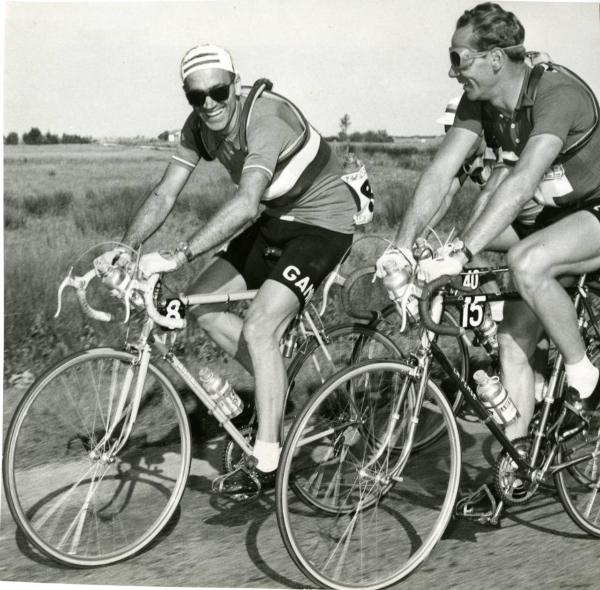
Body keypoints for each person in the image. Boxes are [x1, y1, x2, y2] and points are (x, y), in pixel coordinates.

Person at [99, 44, 358, 485]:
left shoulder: (266, 119)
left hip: (322, 225)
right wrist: (128, 247)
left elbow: (245, 203)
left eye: (219, 92)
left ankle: (269, 458)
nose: (210, 104)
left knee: (259, 328)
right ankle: (275, 380)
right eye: (196, 97)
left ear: (235, 85)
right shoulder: (198, 127)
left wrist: (178, 254)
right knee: (202, 304)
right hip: (277, 220)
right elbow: (165, 193)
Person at [379, 2, 600, 518]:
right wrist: (403, 247)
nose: (452, 70)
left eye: (458, 60)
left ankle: (585, 378)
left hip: (595, 209)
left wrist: (462, 253)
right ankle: (515, 471)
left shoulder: (556, 93)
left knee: (525, 262)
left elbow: (523, 178)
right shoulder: (477, 103)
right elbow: (441, 173)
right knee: (510, 339)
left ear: (495, 58)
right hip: (555, 218)